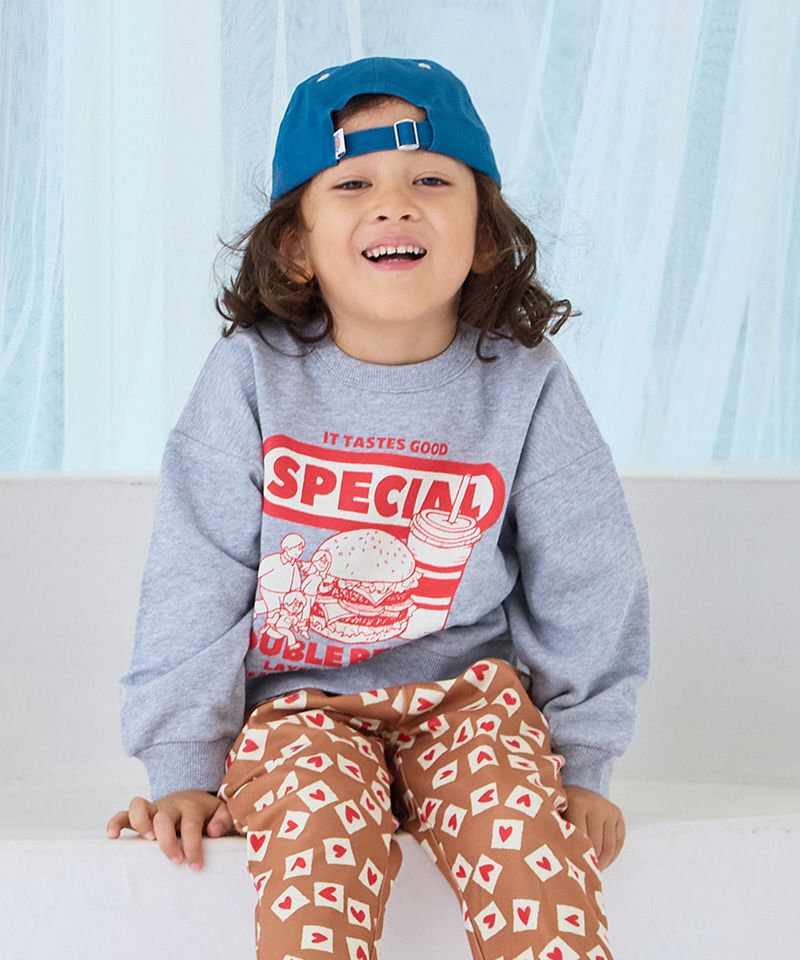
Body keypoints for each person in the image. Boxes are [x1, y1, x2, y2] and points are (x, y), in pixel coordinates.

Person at [107, 56, 650, 960]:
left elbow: (589, 573)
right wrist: (184, 768)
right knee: (316, 864)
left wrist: (584, 758)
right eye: (354, 184)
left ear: (484, 235)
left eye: (431, 181)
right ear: (297, 244)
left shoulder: (526, 383)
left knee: (537, 867)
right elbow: (194, 573)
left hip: (473, 706)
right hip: (299, 715)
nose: (395, 205)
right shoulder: (250, 377)